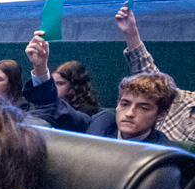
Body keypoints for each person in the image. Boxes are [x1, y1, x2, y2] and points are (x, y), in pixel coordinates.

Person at [23, 31, 175, 144]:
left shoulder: (165, 155)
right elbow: (53, 108)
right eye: (125, 104)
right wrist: (40, 68)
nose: (129, 113)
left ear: (161, 114)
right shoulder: (102, 123)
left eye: (143, 108)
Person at [115, 5, 195, 143]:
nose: (130, 113)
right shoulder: (182, 100)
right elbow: (147, 74)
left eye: (143, 108)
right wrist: (131, 33)